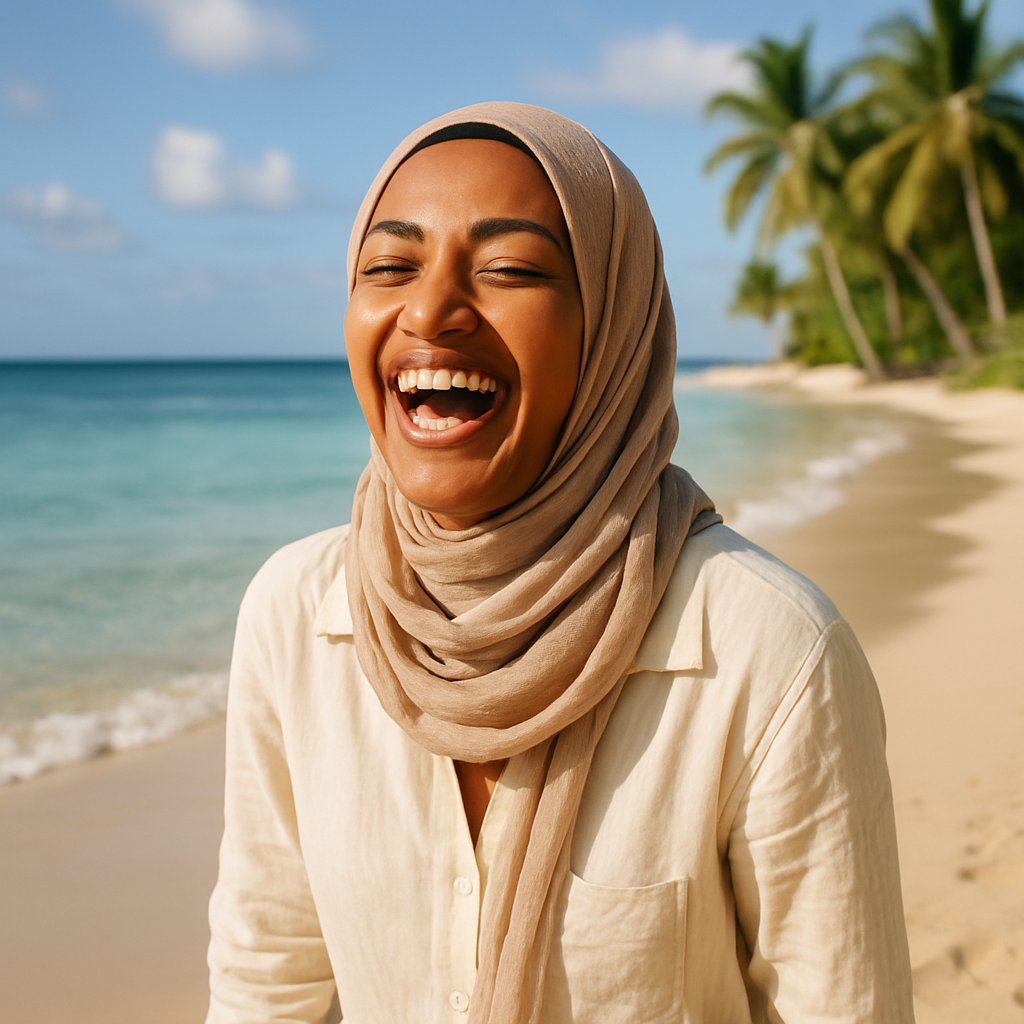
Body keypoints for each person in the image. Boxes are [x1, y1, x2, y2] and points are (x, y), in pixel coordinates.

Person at [206, 103, 914, 1024]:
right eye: (389, 267)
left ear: (613, 329)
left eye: (509, 269)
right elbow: (268, 983)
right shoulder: (295, 614)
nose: (429, 311)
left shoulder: (770, 649)